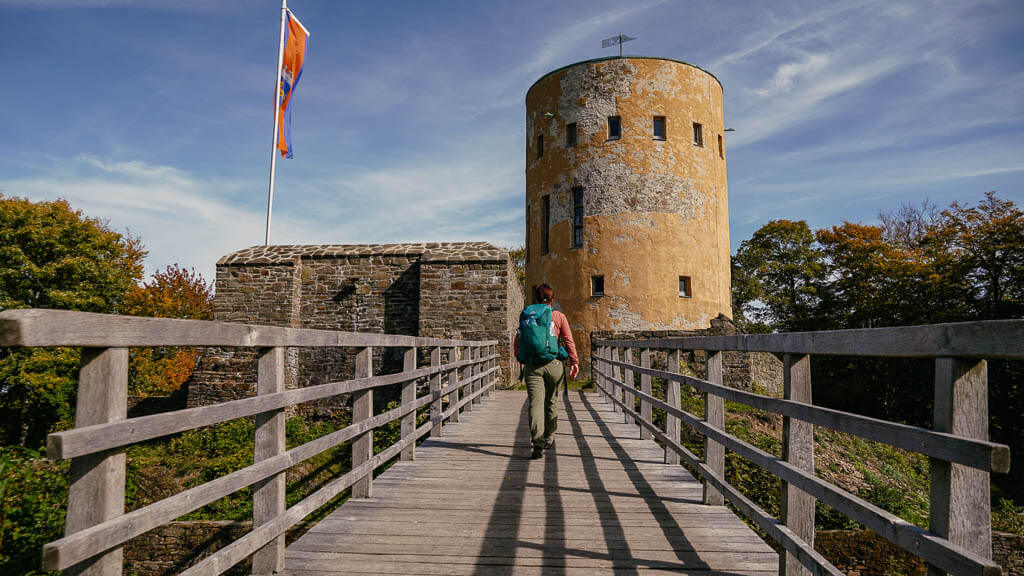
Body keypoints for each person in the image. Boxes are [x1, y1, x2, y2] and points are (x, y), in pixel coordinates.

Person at [514, 283, 579, 459]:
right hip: (554, 364)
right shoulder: (558, 316)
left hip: (533, 365)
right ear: (552, 298)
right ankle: (549, 438)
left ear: (536, 297)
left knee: (535, 403)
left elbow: (518, 339)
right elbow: (568, 340)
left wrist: (520, 358)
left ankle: (537, 442)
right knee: (551, 401)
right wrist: (574, 361)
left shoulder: (528, 315)